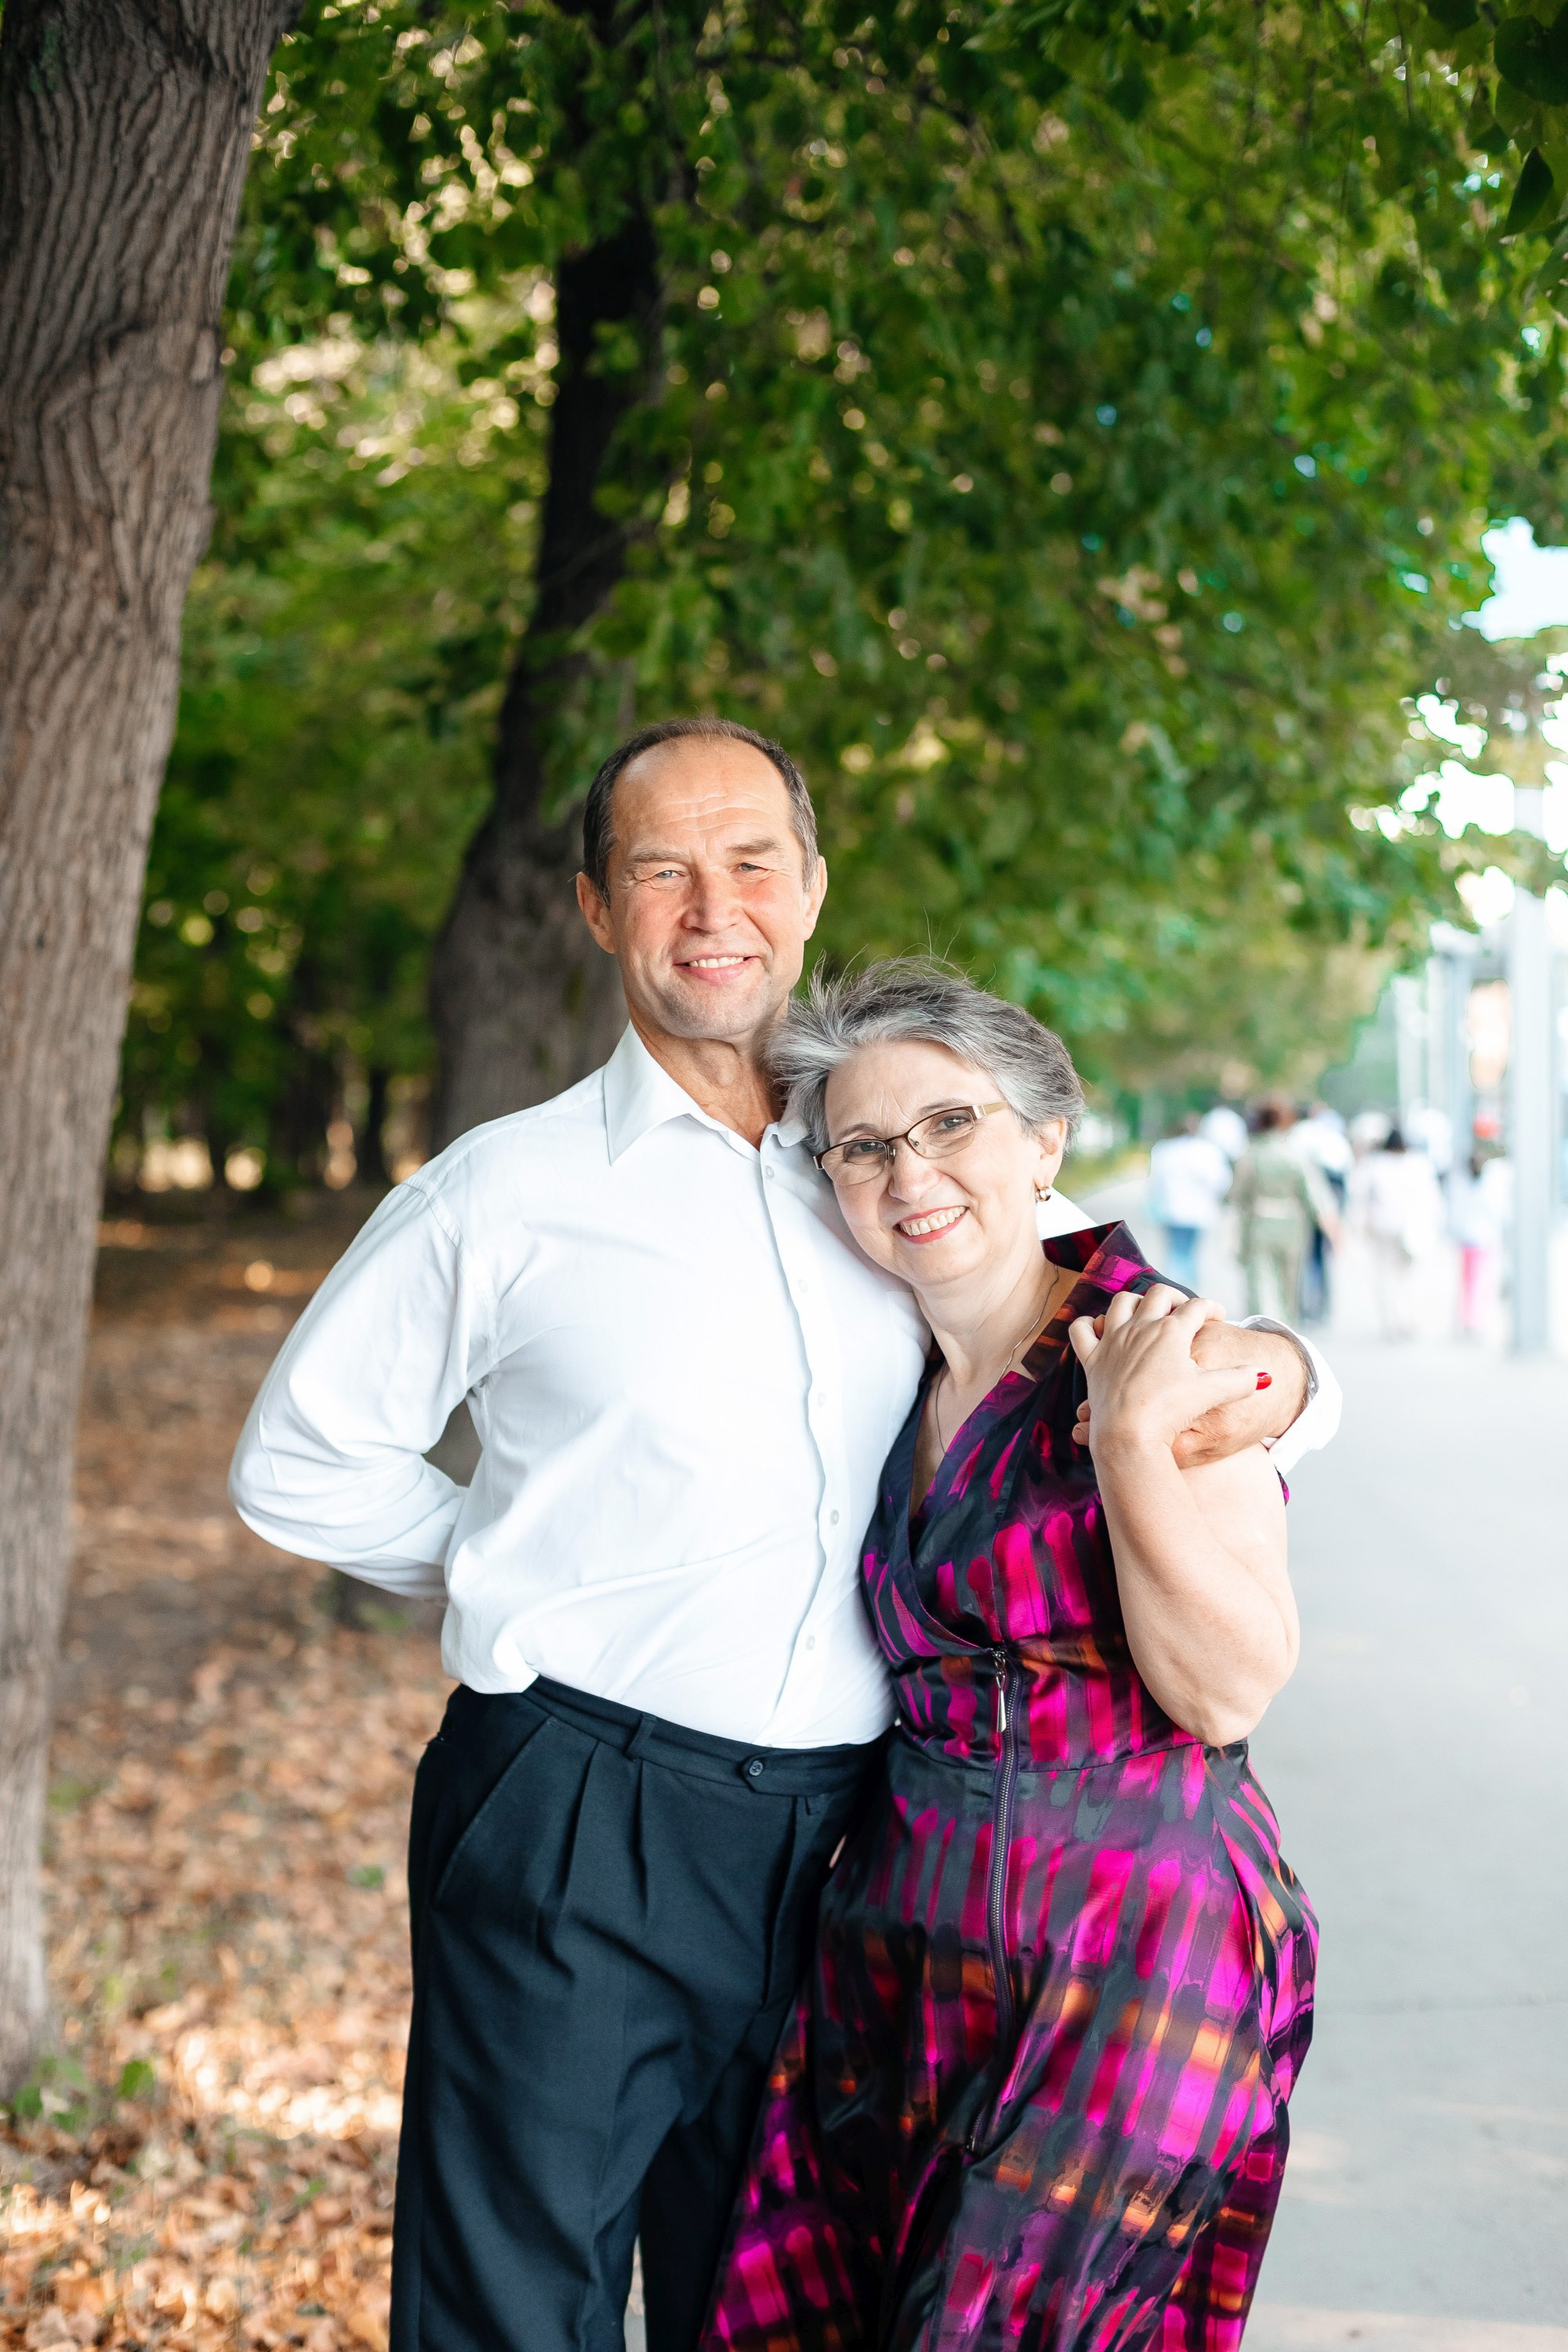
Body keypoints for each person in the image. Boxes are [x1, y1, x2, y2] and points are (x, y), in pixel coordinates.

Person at [227, 718, 1338, 2352]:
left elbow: (1141, 1331)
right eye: (659, 869)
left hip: (854, 1859)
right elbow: (299, 1466)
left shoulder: (882, 1176)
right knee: (513, 2305)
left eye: (750, 861)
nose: (711, 906)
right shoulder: (506, 1193)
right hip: (578, 1814)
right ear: (598, 910)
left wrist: (1293, 1388)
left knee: (765, 2307)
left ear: (809, 890)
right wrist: (528, 1559)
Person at [704, 963, 1316, 2351]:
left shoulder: (1159, 1349)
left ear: (1045, 1138)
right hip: (902, 1959)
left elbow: (1228, 1688)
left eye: (949, 1125)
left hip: (1135, 1948)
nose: (907, 1171)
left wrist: (1128, 1445)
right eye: (861, 1147)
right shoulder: (892, 1375)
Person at [1231, 1098, 1341, 1323]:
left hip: (1258, 1223)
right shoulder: (1297, 1154)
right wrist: (1333, 1230)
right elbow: (1315, 1196)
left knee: (1260, 1283)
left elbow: (1235, 1194)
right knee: (1290, 1285)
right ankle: (1285, 1329)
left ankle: (1262, 1329)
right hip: (1293, 1225)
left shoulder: (1250, 1154)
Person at [1349, 1126, 1446, 1341]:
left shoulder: (1375, 1164)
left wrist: (1360, 1225)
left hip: (1384, 1228)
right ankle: (1408, 1319)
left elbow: (1359, 1196)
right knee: (1411, 1277)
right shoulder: (1419, 1164)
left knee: (1386, 1277)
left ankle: (1393, 1320)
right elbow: (1432, 1199)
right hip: (1412, 1229)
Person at [1144, 1111, 1232, 1290]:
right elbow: (1221, 1181)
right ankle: (1188, 1291)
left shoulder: (1164, 1150)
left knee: (1175, 1253)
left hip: (1171, 1210)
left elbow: (1156, 1181)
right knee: (1191, 1254)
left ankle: (1173, 1291)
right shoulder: (1209, 1151)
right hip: (1199, 1212)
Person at [1290, 1102, 1352, 1324]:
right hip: (1327, 1202)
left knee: (1304, 1258)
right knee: (1321, 1258)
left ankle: (1304, 1306)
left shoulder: (1296, 1136)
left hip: (1301, 1208)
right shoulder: (1330, 1136)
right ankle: (1321, 1307)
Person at [1449, 1147, 1511, 1339]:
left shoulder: (1467, 1185)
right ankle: (1472, 1320)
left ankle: (1471, 1320)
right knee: (1478, 1283)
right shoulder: (1486, 1187)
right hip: (1480, 1239)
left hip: (1473, 1239)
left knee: (1471, 1283)